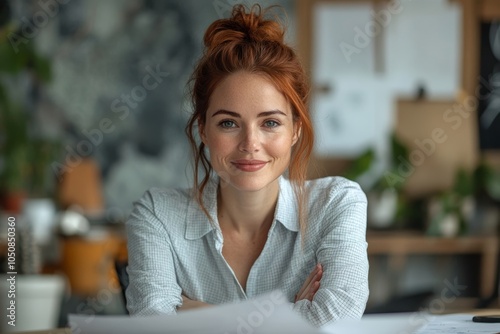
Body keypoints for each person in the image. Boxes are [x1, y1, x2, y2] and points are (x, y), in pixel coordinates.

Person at [125, 4, 369, 327]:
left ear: (295, 129)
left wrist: (194, 311)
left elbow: (336, 320)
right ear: (203, 130)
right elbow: (153, 327)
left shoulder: (338, 203)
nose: (250, 144)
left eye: (270, 123)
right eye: (228, 123)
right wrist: (289, 318)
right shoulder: (157, 215)